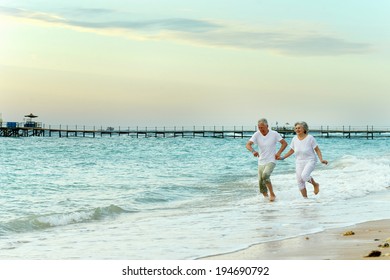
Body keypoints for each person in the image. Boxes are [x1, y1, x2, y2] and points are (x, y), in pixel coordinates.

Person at [280, 121, 328, 198]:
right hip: (299, 162)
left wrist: (321, 159)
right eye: (296, 128)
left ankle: (315, 185)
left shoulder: (310, 138)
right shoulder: (294, 139)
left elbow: (317, 149)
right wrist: (283, 157)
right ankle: (305, 200)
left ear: (304, 129)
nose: (297, 130)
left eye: (299, 128)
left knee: (305, 176)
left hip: (310, 160)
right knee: (299, 181)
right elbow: (292, 150)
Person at [246, 118, 288, 202]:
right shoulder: (257, 134)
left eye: (262, 127)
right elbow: (248, 144)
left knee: (265, 175)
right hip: (261, 160)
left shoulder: (274, 134)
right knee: (261, 181)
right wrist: (253, 151)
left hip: (271, 160)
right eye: (259, 127)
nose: (261, 129)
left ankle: (272, 194)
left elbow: (284, 143)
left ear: (267, 126)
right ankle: (266, 199)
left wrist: (279, 153)